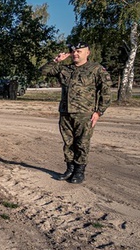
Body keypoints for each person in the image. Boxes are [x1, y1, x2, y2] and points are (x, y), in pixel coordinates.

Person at [40, 41, 111, 184]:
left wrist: (99, 112)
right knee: (68, 143)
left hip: (85, 114)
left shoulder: (96, 69)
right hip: (66, 112)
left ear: (87, 53)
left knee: (82, 143)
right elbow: (43, 71)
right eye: (74, 51)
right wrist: (57, 60)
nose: (75, 54)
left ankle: (79, 171)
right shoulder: (65, 69)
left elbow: (106, 92)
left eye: (79, 51)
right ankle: (70, 169)